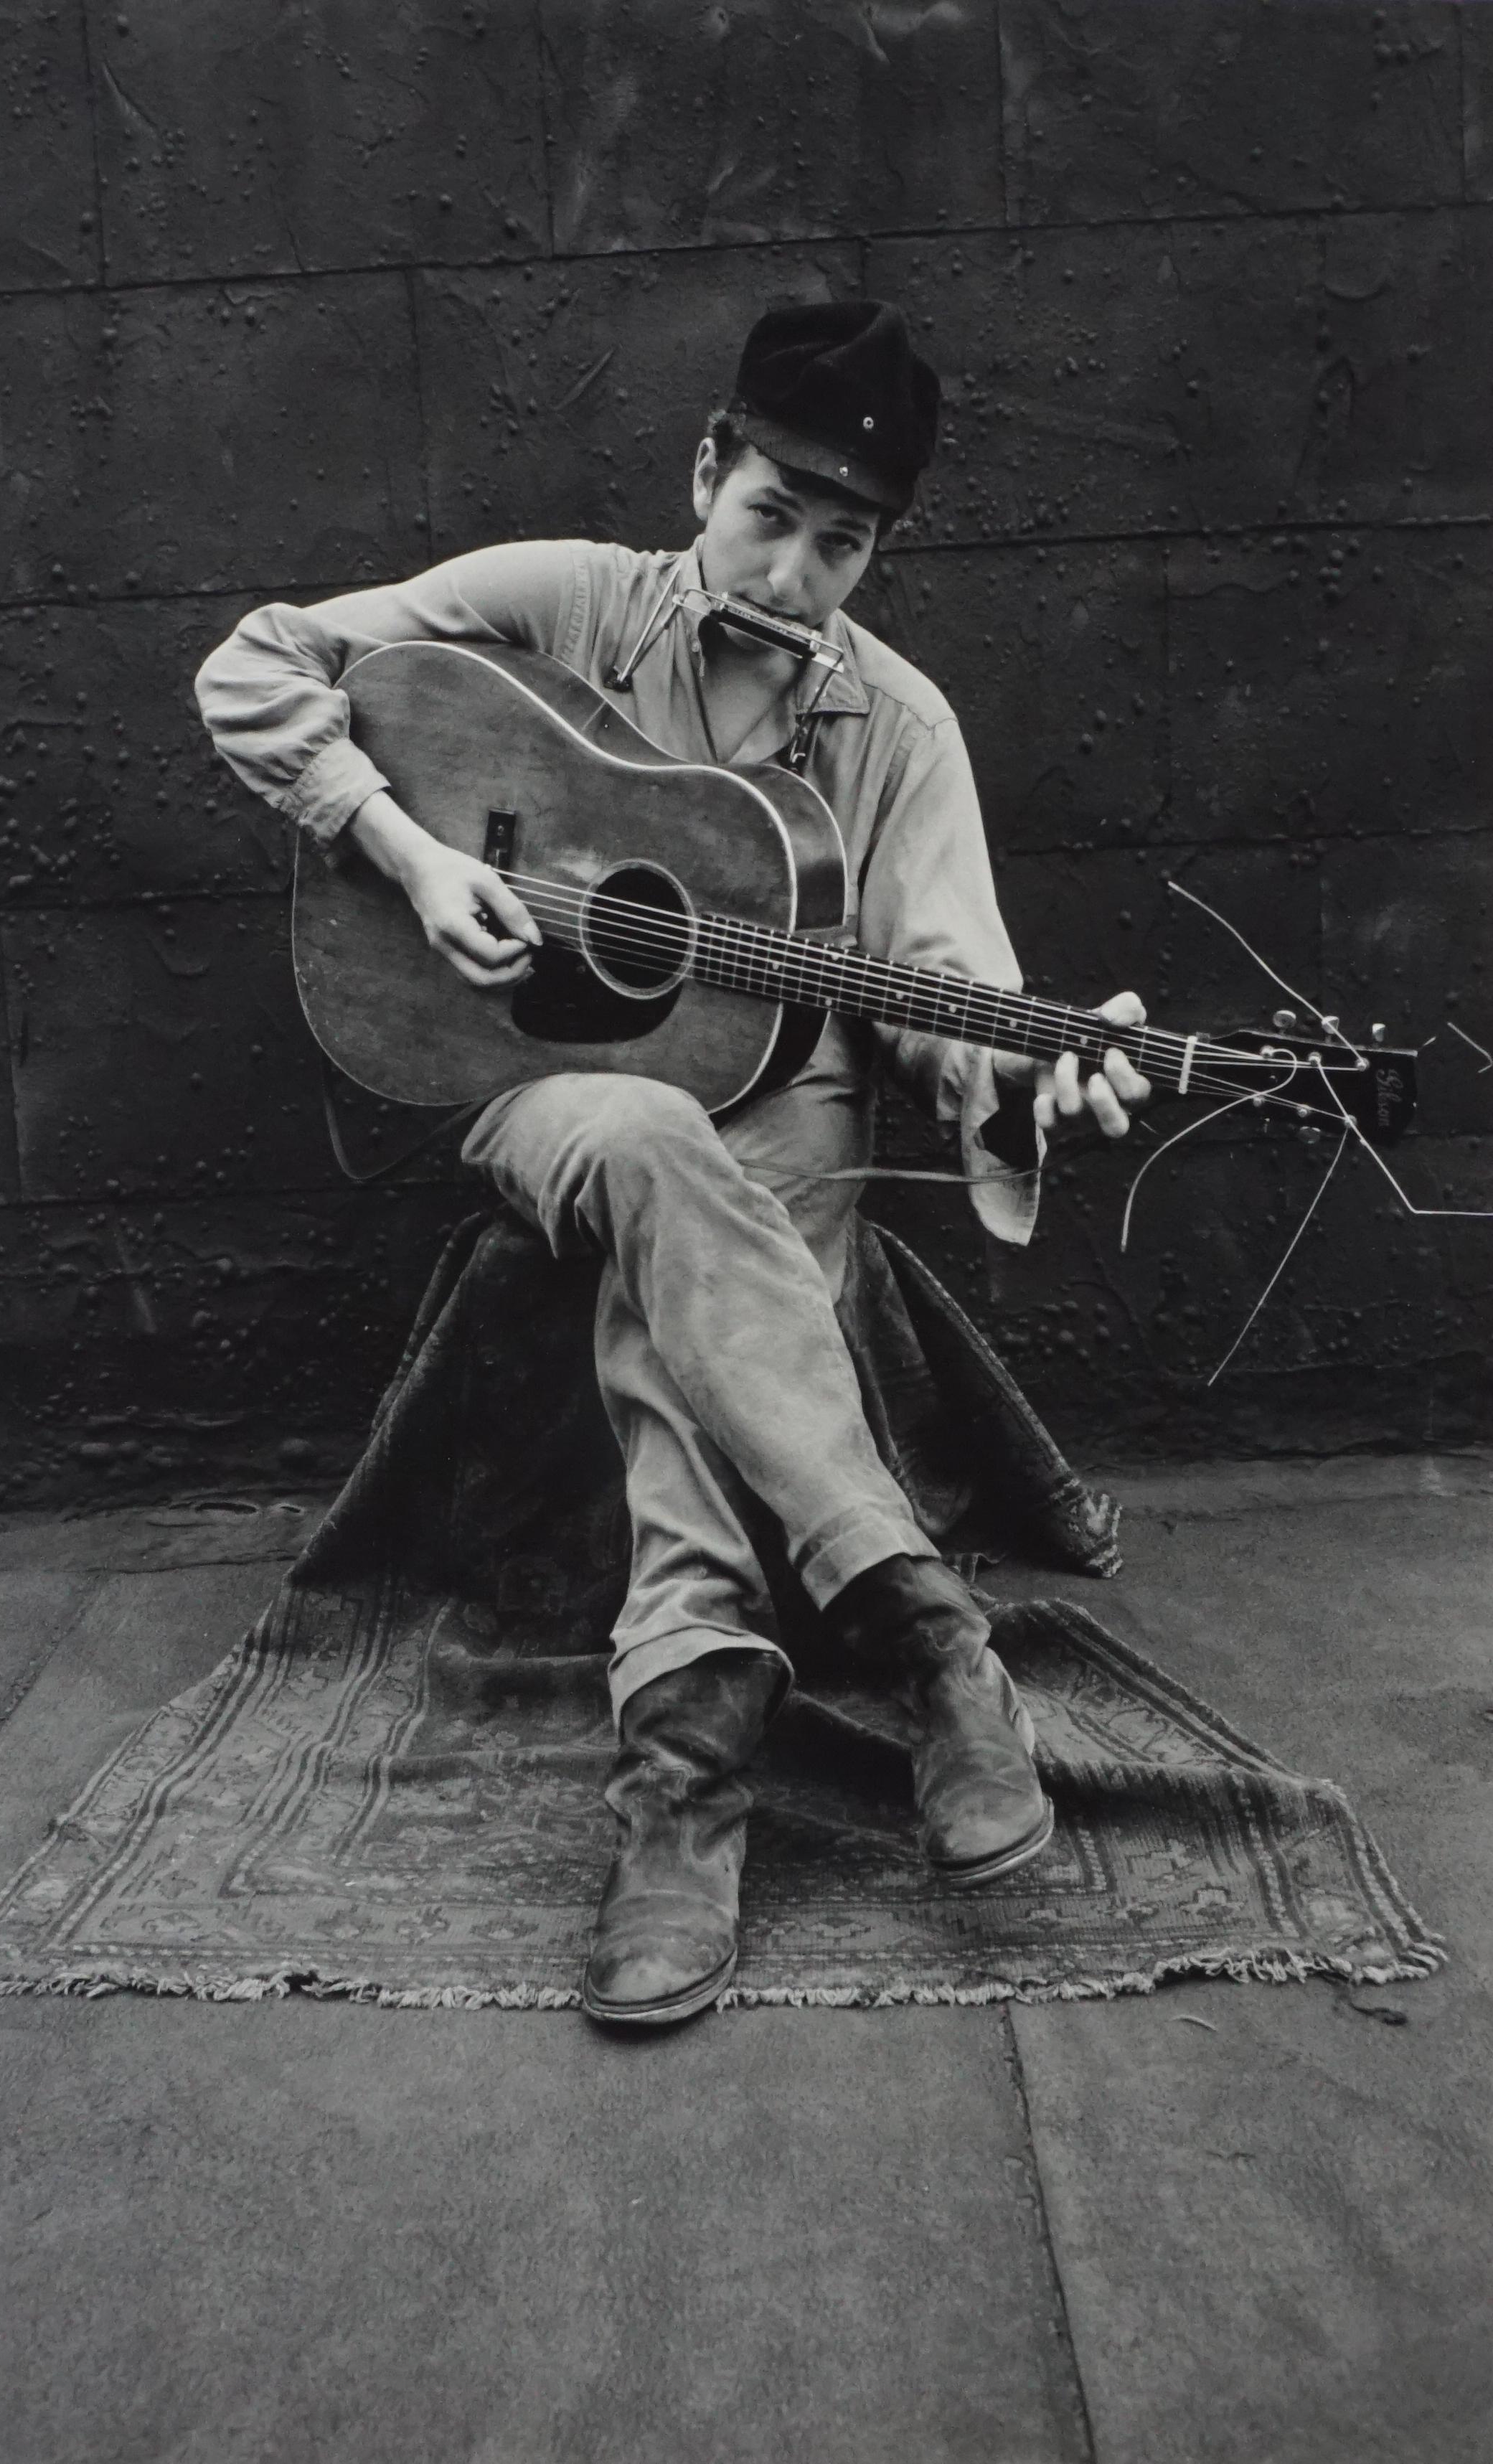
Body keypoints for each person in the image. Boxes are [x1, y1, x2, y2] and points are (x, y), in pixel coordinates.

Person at [195, 300, 1151, 2028]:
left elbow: (945, 991)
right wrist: (410, 858)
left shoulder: (898, 731)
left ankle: (683, 1786)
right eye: (767, 515)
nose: (791, 572)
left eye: (839, 544)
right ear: (703, 469)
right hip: (538, 1079)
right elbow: (255, 664)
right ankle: (924, 1626)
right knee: (640, 1130)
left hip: (794, 1110)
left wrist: (1029, 1069)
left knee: (699, 1270)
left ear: (880, 551)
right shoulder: (562, 599)